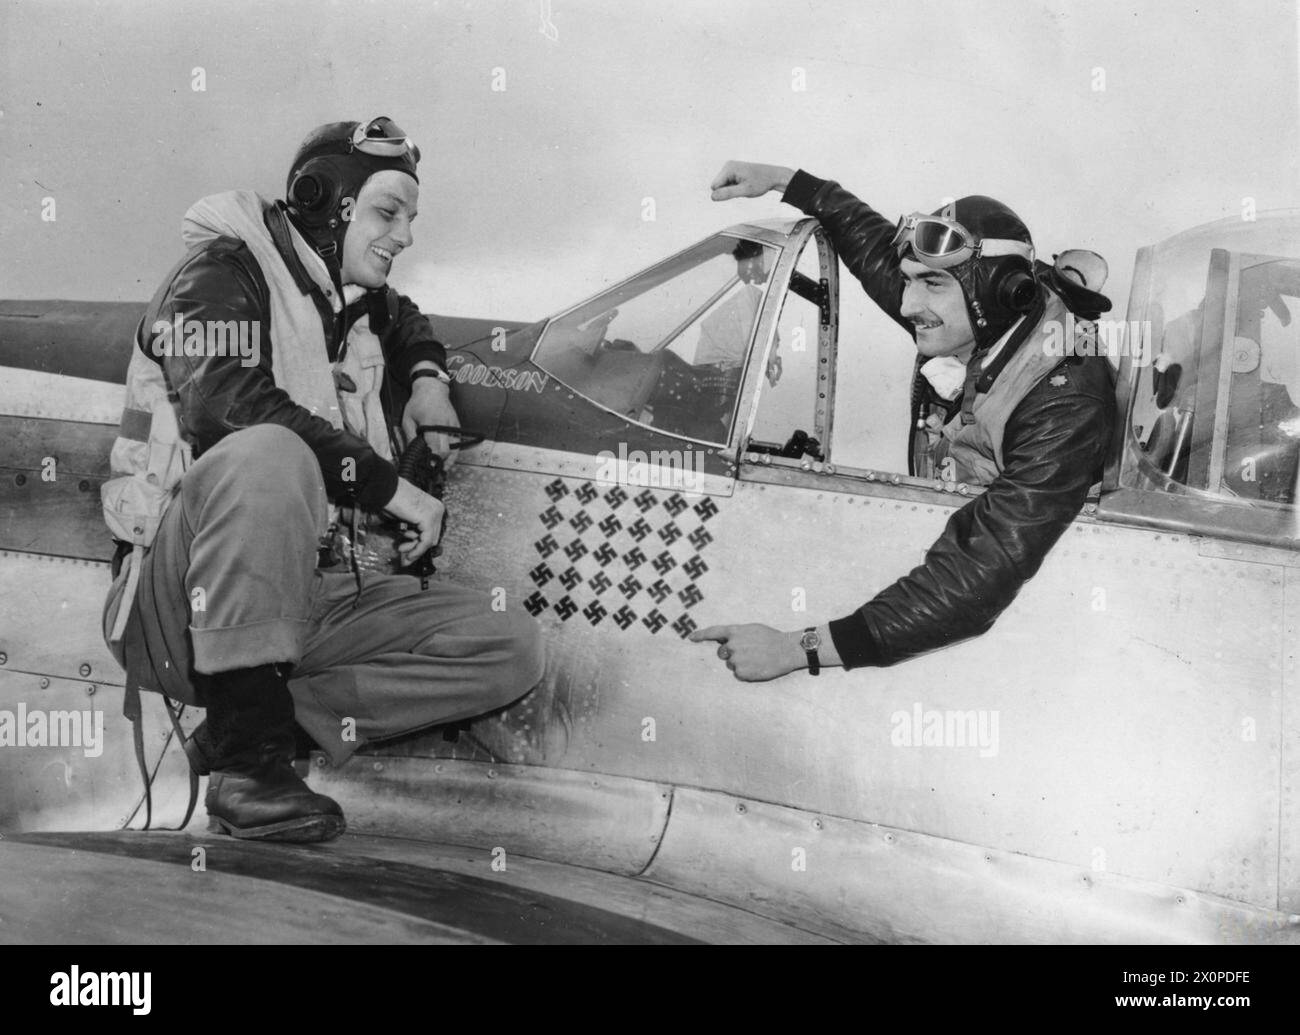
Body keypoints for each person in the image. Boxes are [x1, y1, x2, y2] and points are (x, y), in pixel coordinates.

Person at [101, 117, 545, 842]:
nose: (405, 236)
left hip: (307, 596)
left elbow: (403, 318)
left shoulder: (343, 293)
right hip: (181, 605)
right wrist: (388, 487)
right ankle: (248, 768)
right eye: (388, 213)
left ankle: (252, 723)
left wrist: (427, 379)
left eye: (411, 219)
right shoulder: (218, 276)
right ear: (324, 203)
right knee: (268, 452)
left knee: (508, 644)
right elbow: (225, 406)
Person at [691, 160, 1116, 680]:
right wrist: (789, 183)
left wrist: (796, 649)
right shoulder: (981, 313)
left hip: (1028, 631)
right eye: (911, 281)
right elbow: (874, 251)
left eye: (931, 283)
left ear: (999, 289)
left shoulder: (1065, 398)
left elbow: (980, 572)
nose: (910, 305)